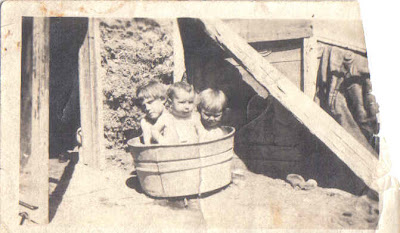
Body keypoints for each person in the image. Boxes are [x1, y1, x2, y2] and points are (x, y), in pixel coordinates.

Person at [136, 80, 178, 144]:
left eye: (150, 102)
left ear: (162, 99)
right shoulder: (145, 122)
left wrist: (155, 133)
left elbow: (171, 146)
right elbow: (148, 146)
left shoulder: (169, 118)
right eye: (144, 105)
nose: (147, 108)